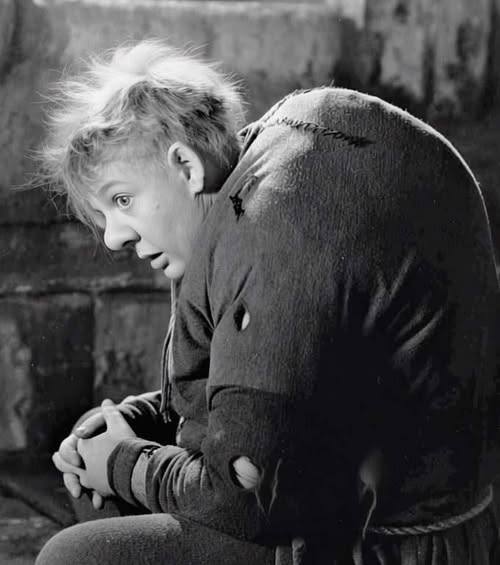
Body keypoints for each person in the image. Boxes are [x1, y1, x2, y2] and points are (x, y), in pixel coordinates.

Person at [35, 40, 500, 565]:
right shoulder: (266, 170)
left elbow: (246, 492)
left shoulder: (273, 226)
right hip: (357, 502)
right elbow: (289, 390)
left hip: (388, 546)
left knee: (71, 556)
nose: (114, 237)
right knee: (95, 463)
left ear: (185, 165)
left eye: (122, 200)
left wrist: (123, 462)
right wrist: (138, 423)